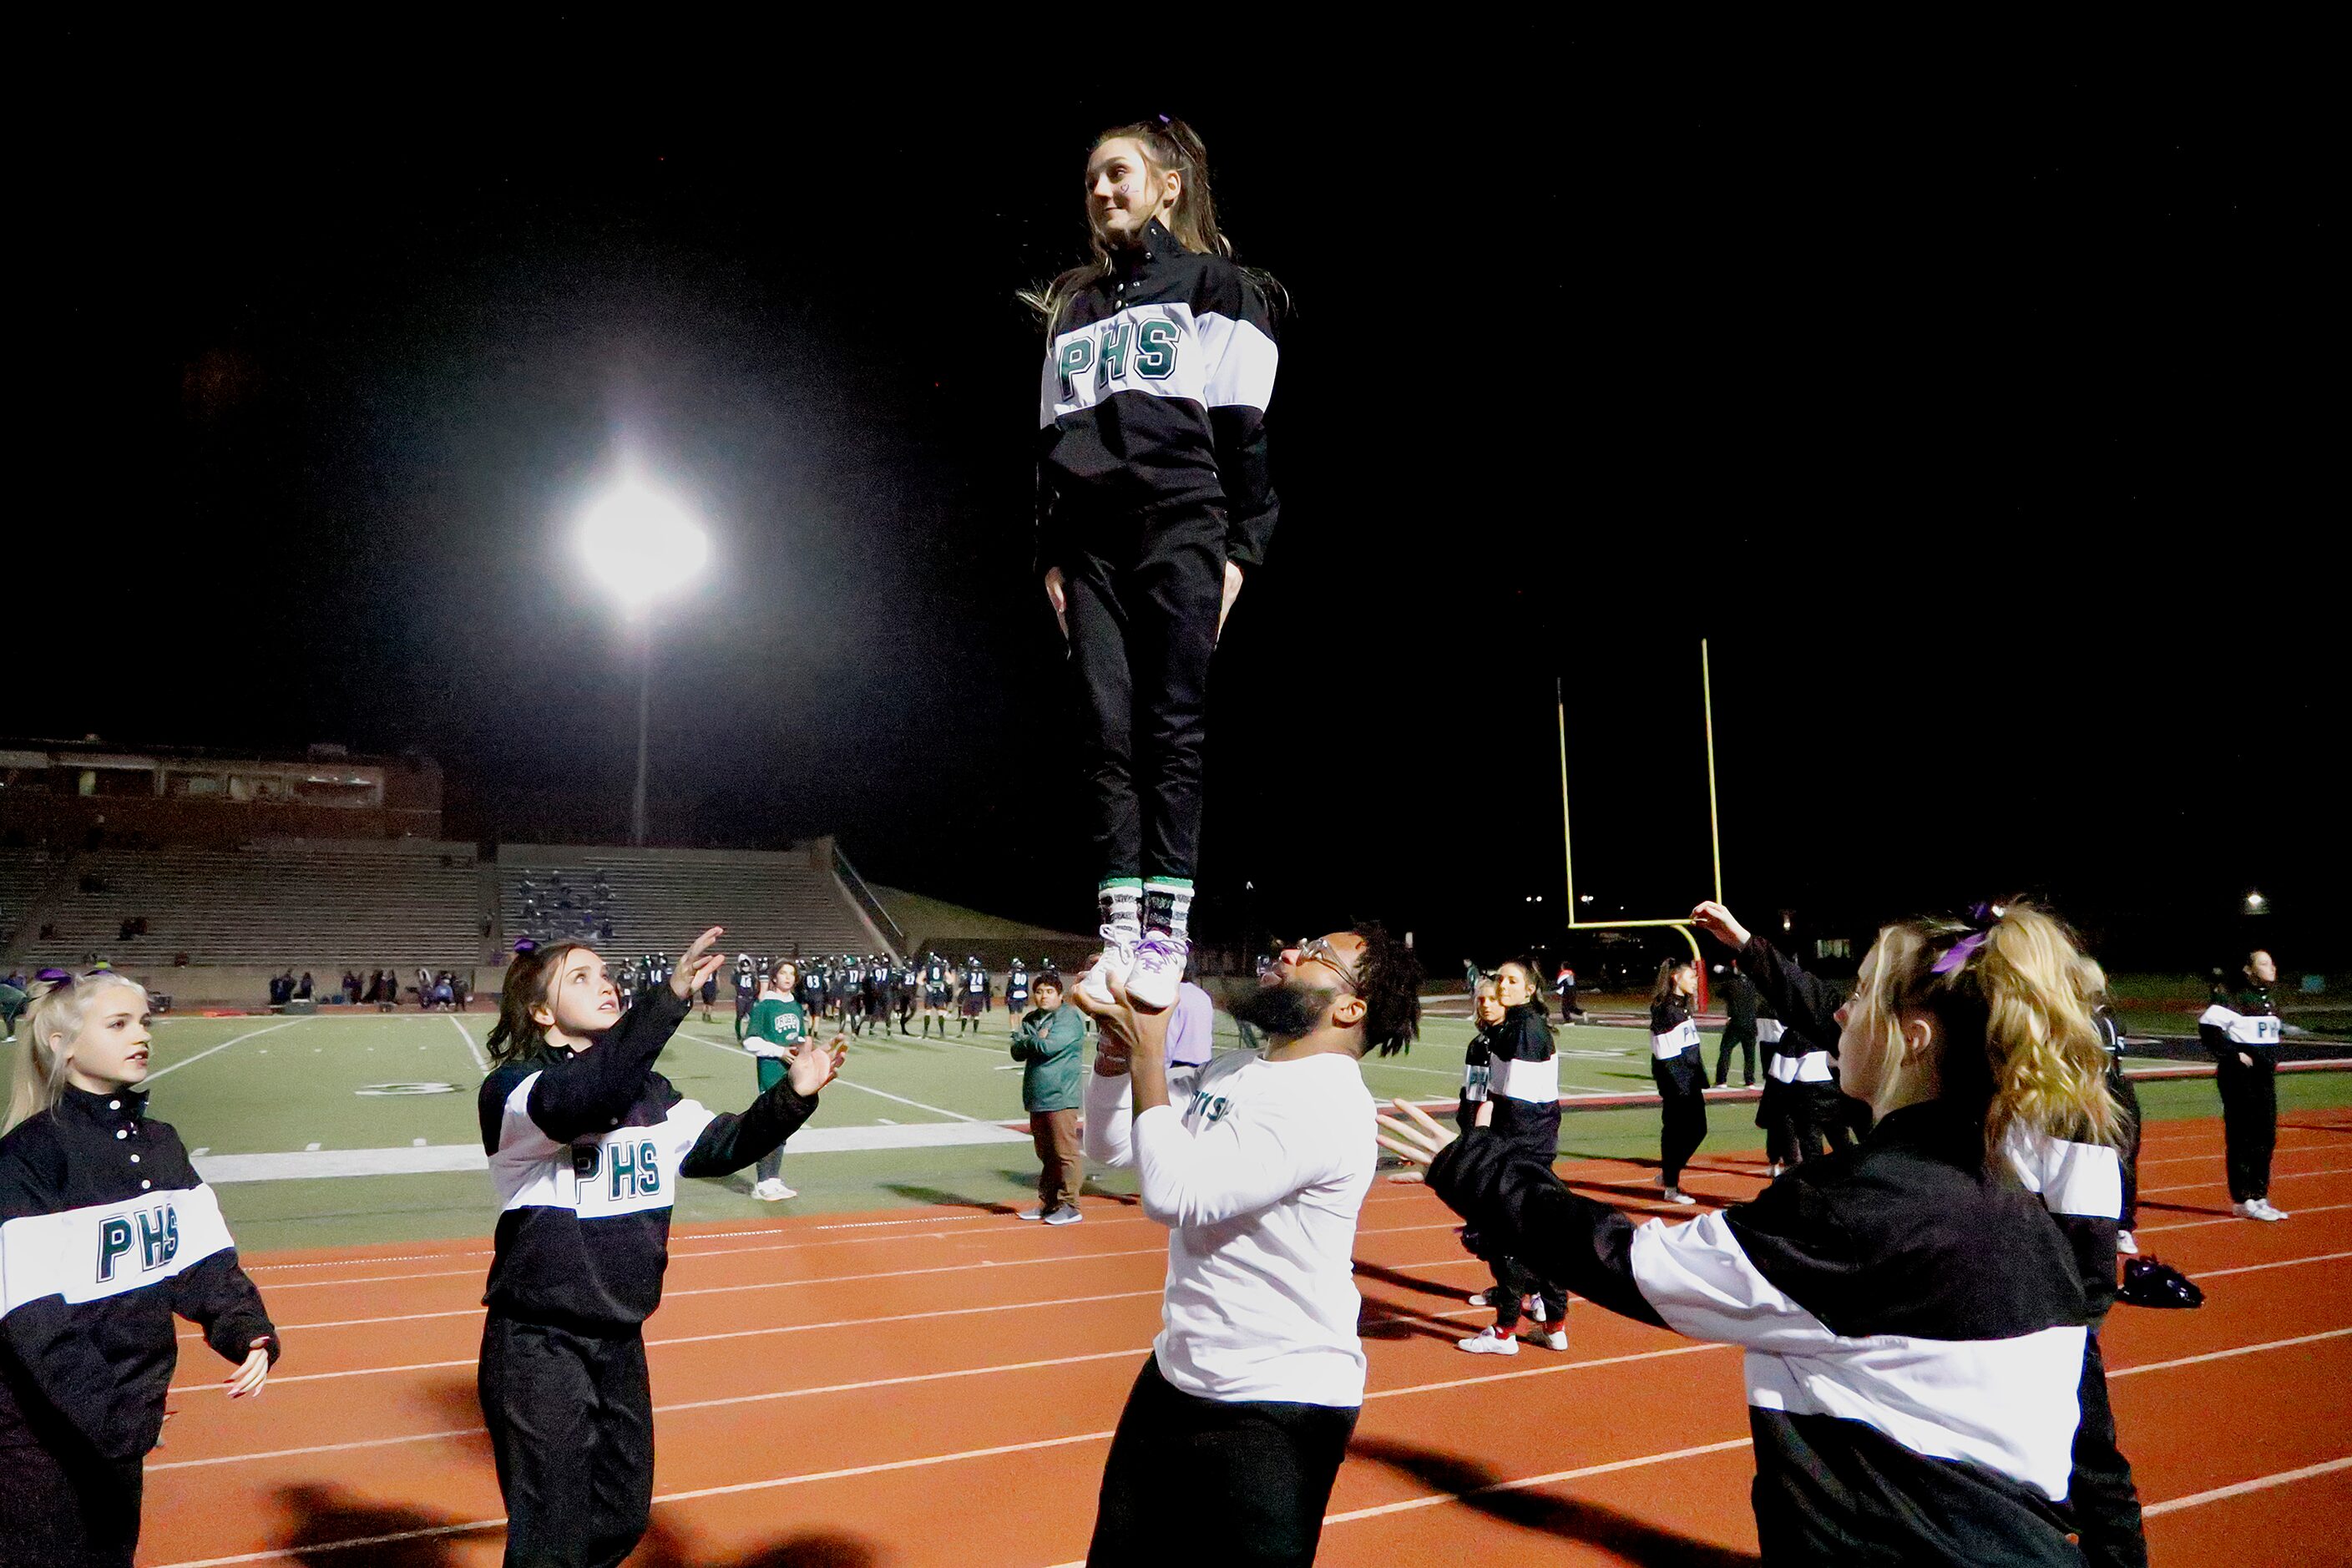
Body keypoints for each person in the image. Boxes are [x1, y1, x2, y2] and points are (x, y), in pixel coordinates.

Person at [1380, 897, 2142, 1567]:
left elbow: (1631, 1262)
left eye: (1860, 997)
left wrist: (1474, 1170)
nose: (1838, 1012)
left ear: (1913, 1039)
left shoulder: (1860, 1212)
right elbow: (2095, 1452)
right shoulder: (2017, 1191)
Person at [476, 929, 844, 1568]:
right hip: (539, 1343)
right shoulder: (517, 1090)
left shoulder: (652, 1094)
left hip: (619, 1338)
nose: (606, 982)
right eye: (582, 977)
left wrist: (794, 1096)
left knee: (619, 1514)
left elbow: (720, 1146)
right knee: (552, 1535)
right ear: (540, 1012)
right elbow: (583, 1097)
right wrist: (667, 999)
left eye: (605, 972)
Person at [1029, 116, 1282, 1013]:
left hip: (1182, 526)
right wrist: (1052, 555)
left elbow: (1243, 436)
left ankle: (1162, 934)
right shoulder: (1077, 309)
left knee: (1173, 730)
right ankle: (1116, 931)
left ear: (1166, 185)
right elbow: (1052, 440)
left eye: (1119, 173)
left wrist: (1241, 553)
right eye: (1092, 178)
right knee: (1105, 732)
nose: (1102, 189)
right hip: (1091, 545)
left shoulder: (1220, 288)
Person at [1078, 925, 1419, 1568]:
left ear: (1350, 1008)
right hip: (1178, 1374)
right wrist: (1115, 1058)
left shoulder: (1327, 1102)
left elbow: (1177, 1195)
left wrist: (1151, 1056)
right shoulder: (1235, 1069)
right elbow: (1113, 1146)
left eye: (1316, 956)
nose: (1288, 953)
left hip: (1277, 1407)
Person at [1, 969, 279, 1565]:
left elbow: (202, 1260)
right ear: (62, 1044)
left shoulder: (160, 1144)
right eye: (119, 1023)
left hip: (120, 1423)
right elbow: (32, 1319)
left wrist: (244, 1327)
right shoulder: (30, 1155)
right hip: (39, 1433)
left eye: (145, 1023)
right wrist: (116, 1419)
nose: (142, 1036)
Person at [1456, 957, 1569, 1355]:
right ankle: (1554, 1324)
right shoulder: (1522, 1028)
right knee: (1543, 1237)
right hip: (1534, 1147)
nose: (1502, 986)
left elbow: (1516, 1105)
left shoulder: (1522, 1032)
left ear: (1529, 989)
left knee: (1508, 1239)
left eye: (1512, 980)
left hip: (1520, 1150)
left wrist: (1487, 1147)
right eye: (1499, 978)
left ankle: (1505, 1332)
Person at [2203, 947, 2289, 1220]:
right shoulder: (2235, 999)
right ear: (2249, 971)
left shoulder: (2270, 1001)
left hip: (2264, 1077)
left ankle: (2260, 1195)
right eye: (2264, 964)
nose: (2272, 968)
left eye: (2272, 963)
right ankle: (2243, 1199)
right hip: (2240, 1077)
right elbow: (2208, 1030)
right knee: (2243, 1136)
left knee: (2266, 1136)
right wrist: (2233, 1054)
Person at [1011, 972, 1086, 1224]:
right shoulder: (1033, 1018)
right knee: (1046, 1154)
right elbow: (1016, 1050)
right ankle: (1049, 1202)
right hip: (1036, 1094)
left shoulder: (1069, 1018)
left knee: (1065, 1152)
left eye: (1049, 992)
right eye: (1040, 991)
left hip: (1060, 1094)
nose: (1044, 996)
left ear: (1060, 994)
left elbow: (1049, 1046)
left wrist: (1029, 1041)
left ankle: (1070, 1204)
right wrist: (1034, 1040)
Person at [741, 959, 808, 1201]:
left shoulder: (797, 1007)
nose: (788, 978)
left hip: (791, 1075)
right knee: (769, 1127)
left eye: (792, 974)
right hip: (771, 1074)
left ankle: (774, 1179)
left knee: (783, 1129)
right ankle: (762, 1182)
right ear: (774, 977)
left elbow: (799, 1037)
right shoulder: (765, 1006)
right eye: (783, 973)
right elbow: (750, 1041)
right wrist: (779, 1052)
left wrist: (802, 1051)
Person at [1648, 956, 1708, 1206]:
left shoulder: (1681, 1006)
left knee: (1698, 1129)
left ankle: (1668, 1173)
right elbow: (1665, 1057)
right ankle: (1671, 1186)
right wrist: (1680, 1087)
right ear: (1676, 977)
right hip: (1678, 1085)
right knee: (1675, 1132)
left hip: (1689, 1081)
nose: (1695, 981)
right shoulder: (1666, 1010)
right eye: (1691, 976)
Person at [1713, 962, 1758, 1087]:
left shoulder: (1731, 984)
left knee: (1726, 1050)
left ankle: (1721, 1080)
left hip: (1736, 1023)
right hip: (1751, 1023)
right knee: (1750, 1054)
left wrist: (1724, 974)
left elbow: (1719, 993)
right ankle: (1750, 1081)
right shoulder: (1752, 984)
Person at [918, 950, 952, 1037]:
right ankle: (942, 1033)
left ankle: (925, 1033)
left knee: (928, 1012)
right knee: (940, 1012)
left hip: (930, 992)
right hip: (940, 992)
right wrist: (943, 984)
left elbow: (919, 980)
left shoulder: (927, 967)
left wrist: (927, 985)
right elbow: (950, 980)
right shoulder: (943, 967)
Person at [959, 955, 990, 1034]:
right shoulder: (983, 972)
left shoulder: (968, 972)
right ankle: (975, 1031)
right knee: (976, 1015)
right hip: (979, 995)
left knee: (965, 1014)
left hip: (970, 994)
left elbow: (964, 981)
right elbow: (987, 981)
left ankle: (962, 1031)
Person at [732, 954, 758, 1042]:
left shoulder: (751, 975)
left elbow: (755, 985)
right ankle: (739, 1035)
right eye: (744, 967)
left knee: (752, 1017)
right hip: (741, 998)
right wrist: (736, 972)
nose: (746, 968)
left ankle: (750, 1034)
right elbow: (734, 982)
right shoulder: (738, 975)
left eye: (747, 967)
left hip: (750, 998)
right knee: (739, 1017)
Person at [1005, 957, 1031, 1022]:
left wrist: (1007, 995)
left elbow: (1010, 985)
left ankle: (1013, 1029)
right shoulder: (1025, 973)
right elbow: (1026, 986)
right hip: (1023, 994)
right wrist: (1027, 997)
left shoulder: (1012, 972)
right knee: (1020, 1013)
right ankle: (1020, 1028)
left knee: (1012, 1013)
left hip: (1014, 994)